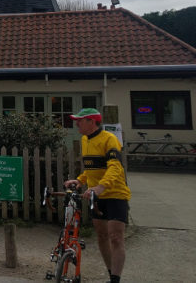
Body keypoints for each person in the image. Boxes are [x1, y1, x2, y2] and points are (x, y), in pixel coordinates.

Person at [63, 108, 131, 283]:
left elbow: (115, 167)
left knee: (116, 237)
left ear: (92, 122)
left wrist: (101, 187)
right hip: (96, 195)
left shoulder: (109, 139)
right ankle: (111, 273)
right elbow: (91, 168)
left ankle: (115, 279)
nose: (76, 124)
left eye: (80, 120)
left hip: (115, 193)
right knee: (101, 236)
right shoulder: (85, 139)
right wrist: (80, 180)